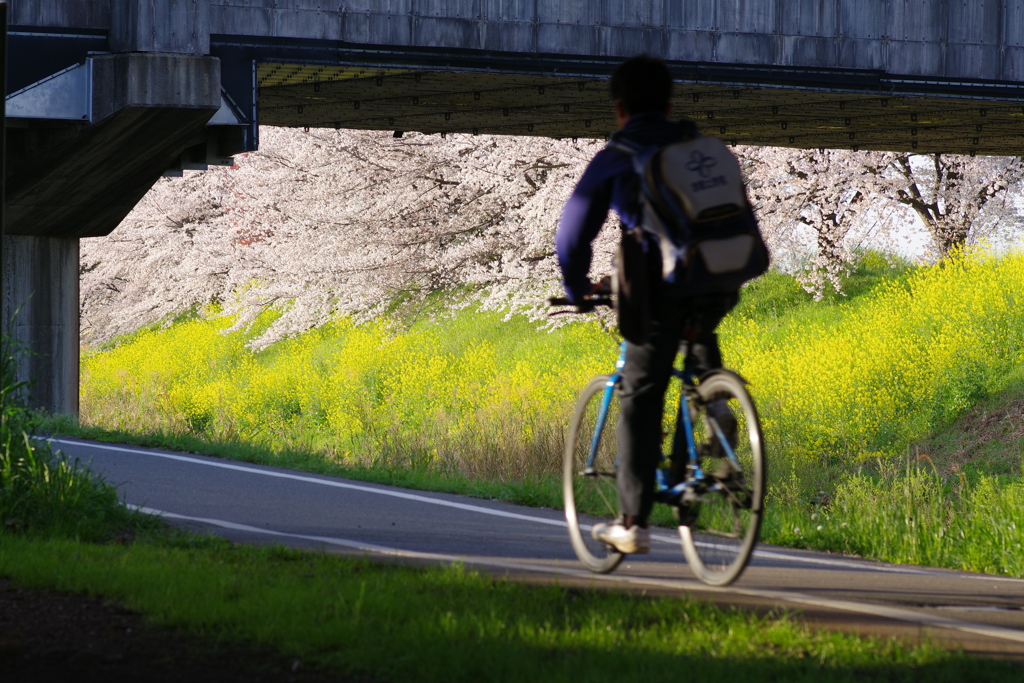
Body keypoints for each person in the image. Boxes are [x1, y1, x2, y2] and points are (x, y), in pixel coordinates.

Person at [555, 55, 739, 555]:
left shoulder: (619, 156)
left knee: (640, 390)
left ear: (619, 109)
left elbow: (573, 234)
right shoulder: (699, 148)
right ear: (669, 103)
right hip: (723, 277)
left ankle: (632, 521)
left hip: (661, 287)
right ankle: (718, 404)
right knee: (699, 348)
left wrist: (576, 289)